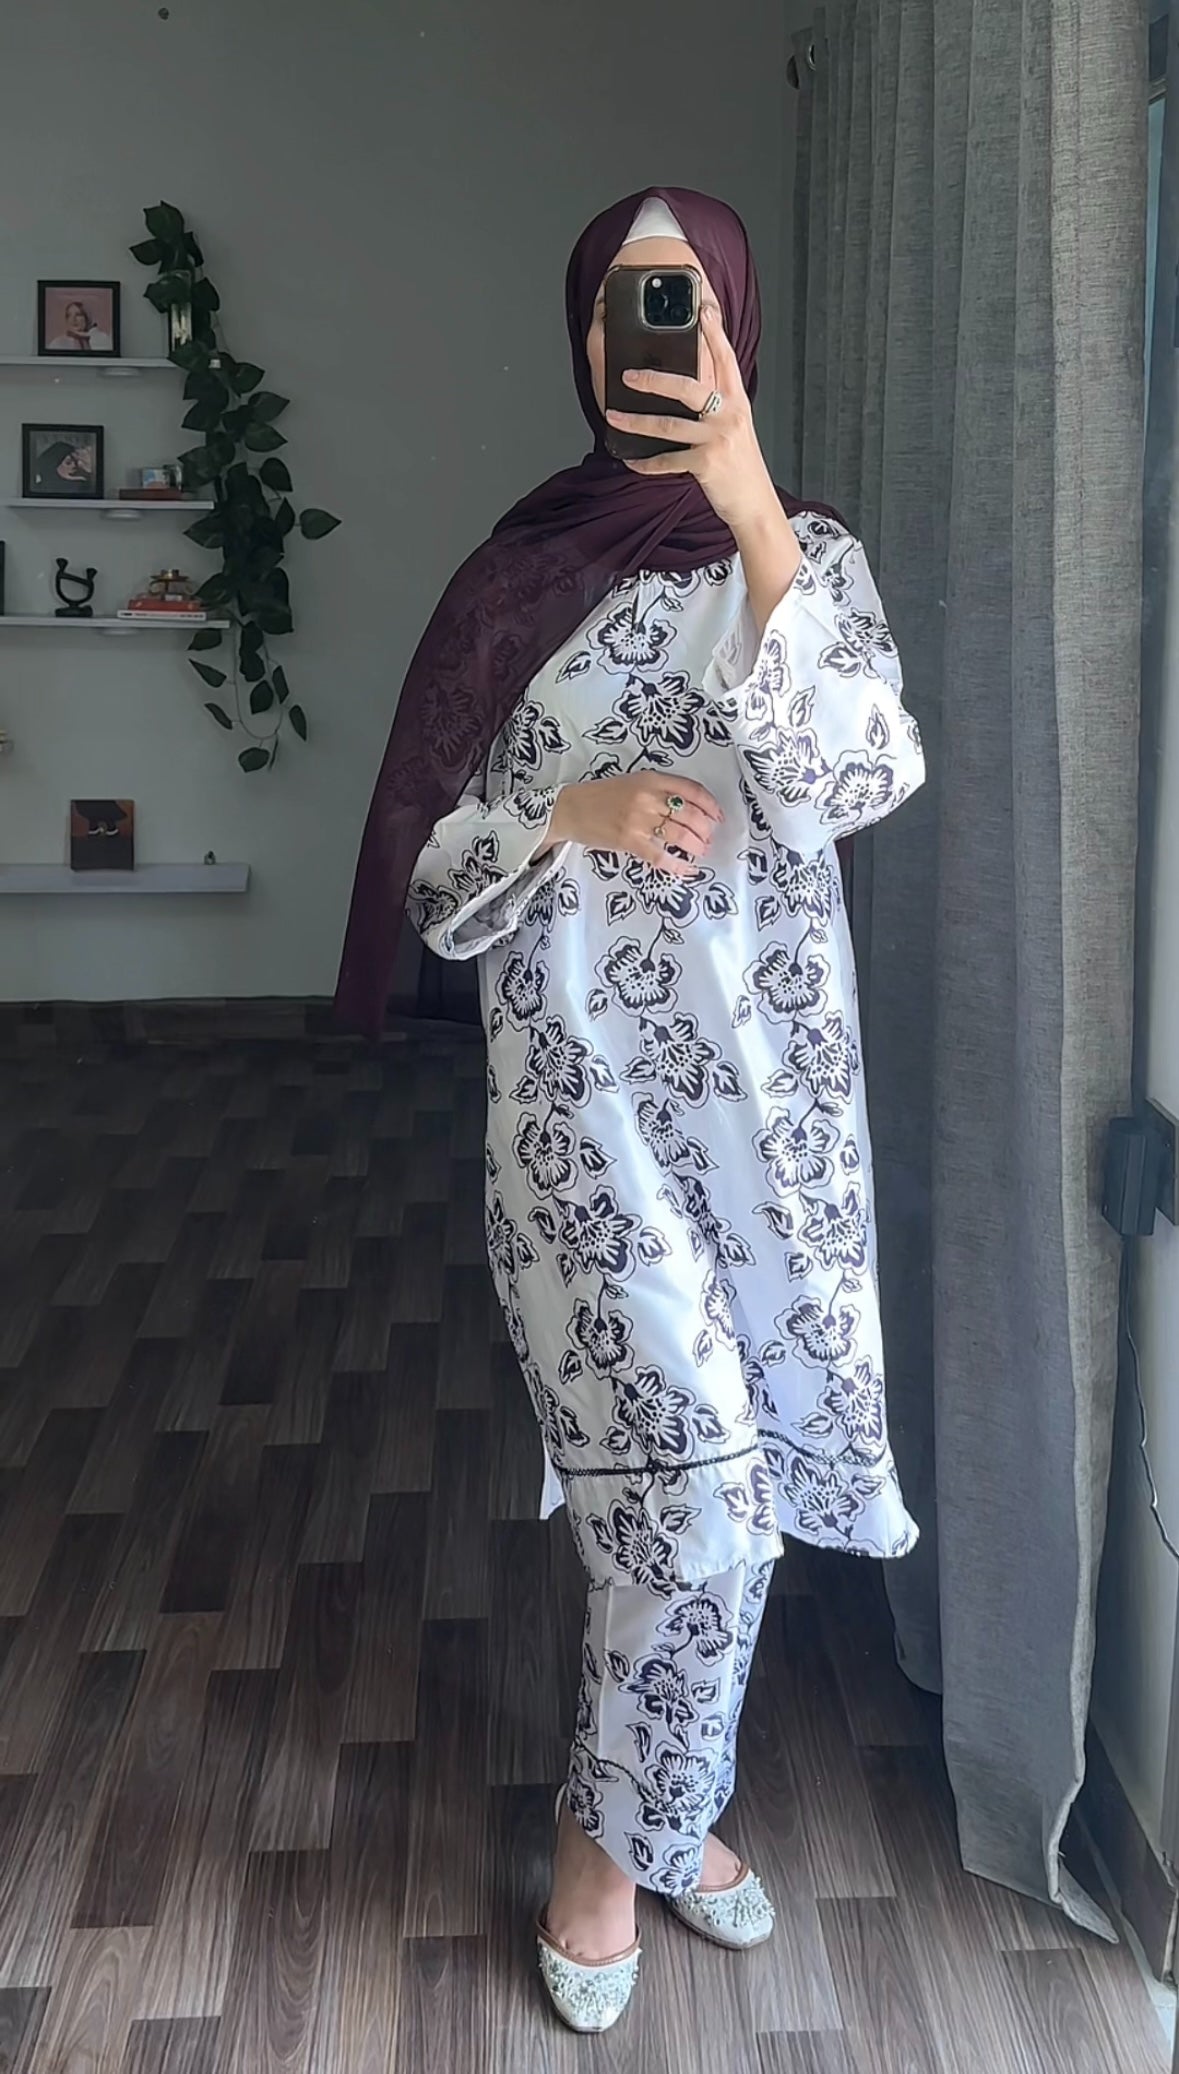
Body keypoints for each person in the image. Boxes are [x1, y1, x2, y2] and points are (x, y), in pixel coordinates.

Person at [335, 187, 924, 2034]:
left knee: (736, 1501)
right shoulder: (513, 580)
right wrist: (562, 816)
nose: (646, 335)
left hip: (776, 1124)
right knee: (687, 1506)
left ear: (732, 325)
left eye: (682, 301)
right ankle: (613, 1842)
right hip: (581, 1119)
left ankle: (660, 1805)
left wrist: (751, 515)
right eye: (618, 302)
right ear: (581, 333)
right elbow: (430, 878)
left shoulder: (804, 557)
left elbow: (858, 773)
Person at [46, 299, 112, 352]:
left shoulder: (101, 338)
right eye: (69, 315)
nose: (73, 319)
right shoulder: (58, 343)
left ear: (87, 318)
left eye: (78, 314)